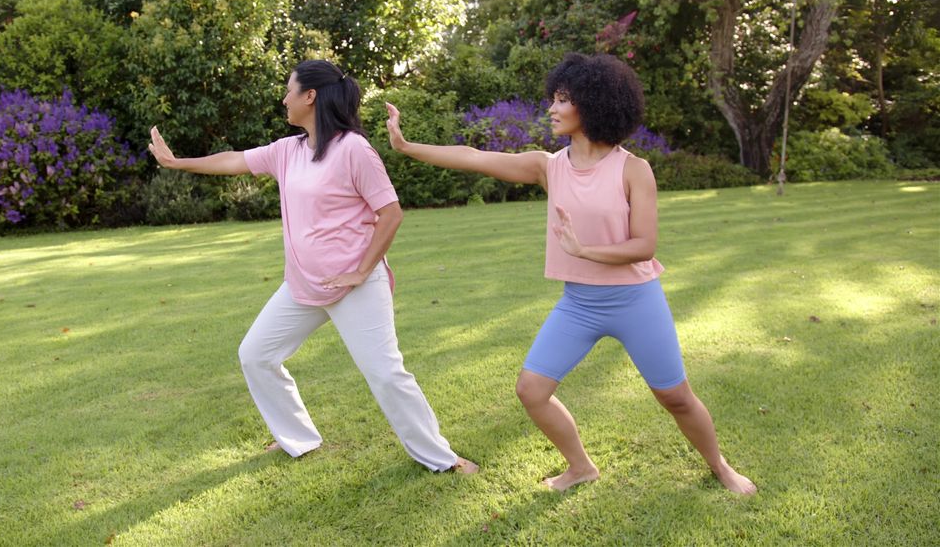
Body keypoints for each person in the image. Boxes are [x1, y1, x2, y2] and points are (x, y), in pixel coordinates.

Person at [384, 53, 755, 494]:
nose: (552, 109)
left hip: (635, 300)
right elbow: (475, 156)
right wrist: (407, 147)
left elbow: (644, 246)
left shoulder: (634, 169)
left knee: (674, 396)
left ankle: (720, 467)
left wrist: (585, 250)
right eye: (554, 99)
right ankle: (581, 467)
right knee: (531, 390)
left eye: (563, 100)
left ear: (594, 104)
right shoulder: (549, 166)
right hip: (579, 304)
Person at [148, 59, 477, 474]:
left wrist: (361, 271)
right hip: (304, 285)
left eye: (289, 90)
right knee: (256, 354)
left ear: (310, 96)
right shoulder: (288, 151)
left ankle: (442, 460)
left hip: (355, 287)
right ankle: (299, 440)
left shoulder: (354, 149)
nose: (283, 98)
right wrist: (179, 163)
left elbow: (390, 213)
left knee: (386, 374)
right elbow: (234, 160)